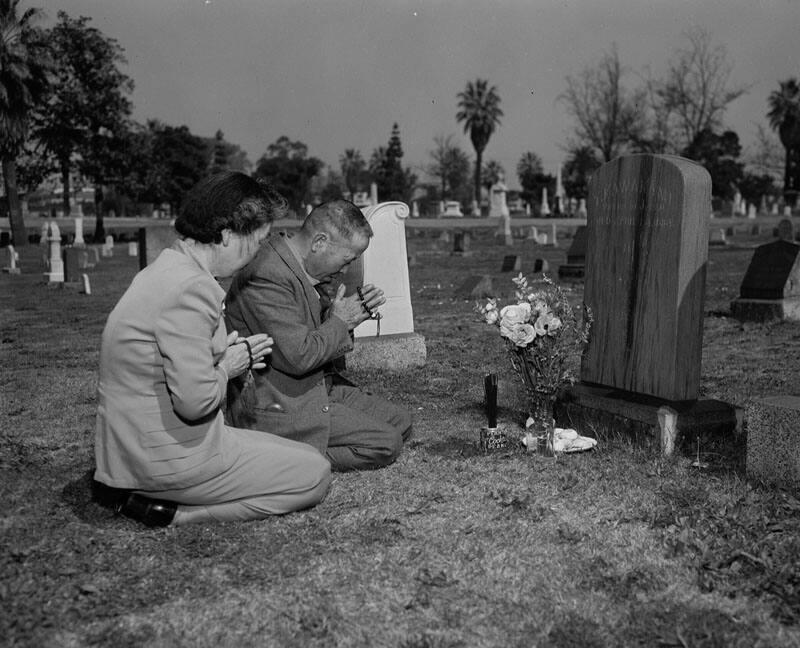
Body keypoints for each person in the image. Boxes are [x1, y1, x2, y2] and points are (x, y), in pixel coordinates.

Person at [93, 172, 331, 527]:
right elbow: (195, 403)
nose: (257, 253)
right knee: (316, 474)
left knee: (304, 455)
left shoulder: (165, 269)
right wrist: (227, 367)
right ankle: (176, 514)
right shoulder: (193, 289)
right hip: (168, 460)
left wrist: (219, 356)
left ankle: (153, 497)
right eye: (258, 240)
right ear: (225, 236)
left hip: (132, 451)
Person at [224, 199, 412, 471]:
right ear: (319, 242)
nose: (345, 270)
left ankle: (306, 443)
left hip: (317, 387)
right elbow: (299, 357)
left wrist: (344, 319)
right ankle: (274, 456)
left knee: (400, 421)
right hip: (279, 403)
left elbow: (313, 338)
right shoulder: (266, 275)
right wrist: (340, 321)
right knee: (386, 443)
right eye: (347, 259)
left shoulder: (305, 268)